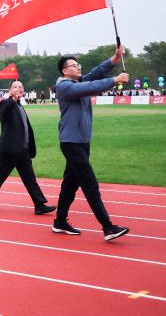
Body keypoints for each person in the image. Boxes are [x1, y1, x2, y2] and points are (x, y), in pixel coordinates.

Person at [51, 47, 130, 241]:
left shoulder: (77, 81)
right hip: (72, 143)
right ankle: (108, 227)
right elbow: (91, 86)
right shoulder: (64, 86)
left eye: (78, 64)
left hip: (81, 141)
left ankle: (60, 221)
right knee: (89, 184)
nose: (78, 67)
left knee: (70, 184)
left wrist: (114, 59)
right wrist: (114, 80)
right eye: (74, 65)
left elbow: (96, 73)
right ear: (64, 71)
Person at [0, 81, 56, 215]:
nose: (18, 88)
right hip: (10, 149)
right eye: (15, 87)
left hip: (23, 150)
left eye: (20, 87)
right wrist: (13, 99)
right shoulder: (5, 103)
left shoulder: (20, 106)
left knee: (30, 178)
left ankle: (39, 205)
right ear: (10, 91)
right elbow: (3, 113)